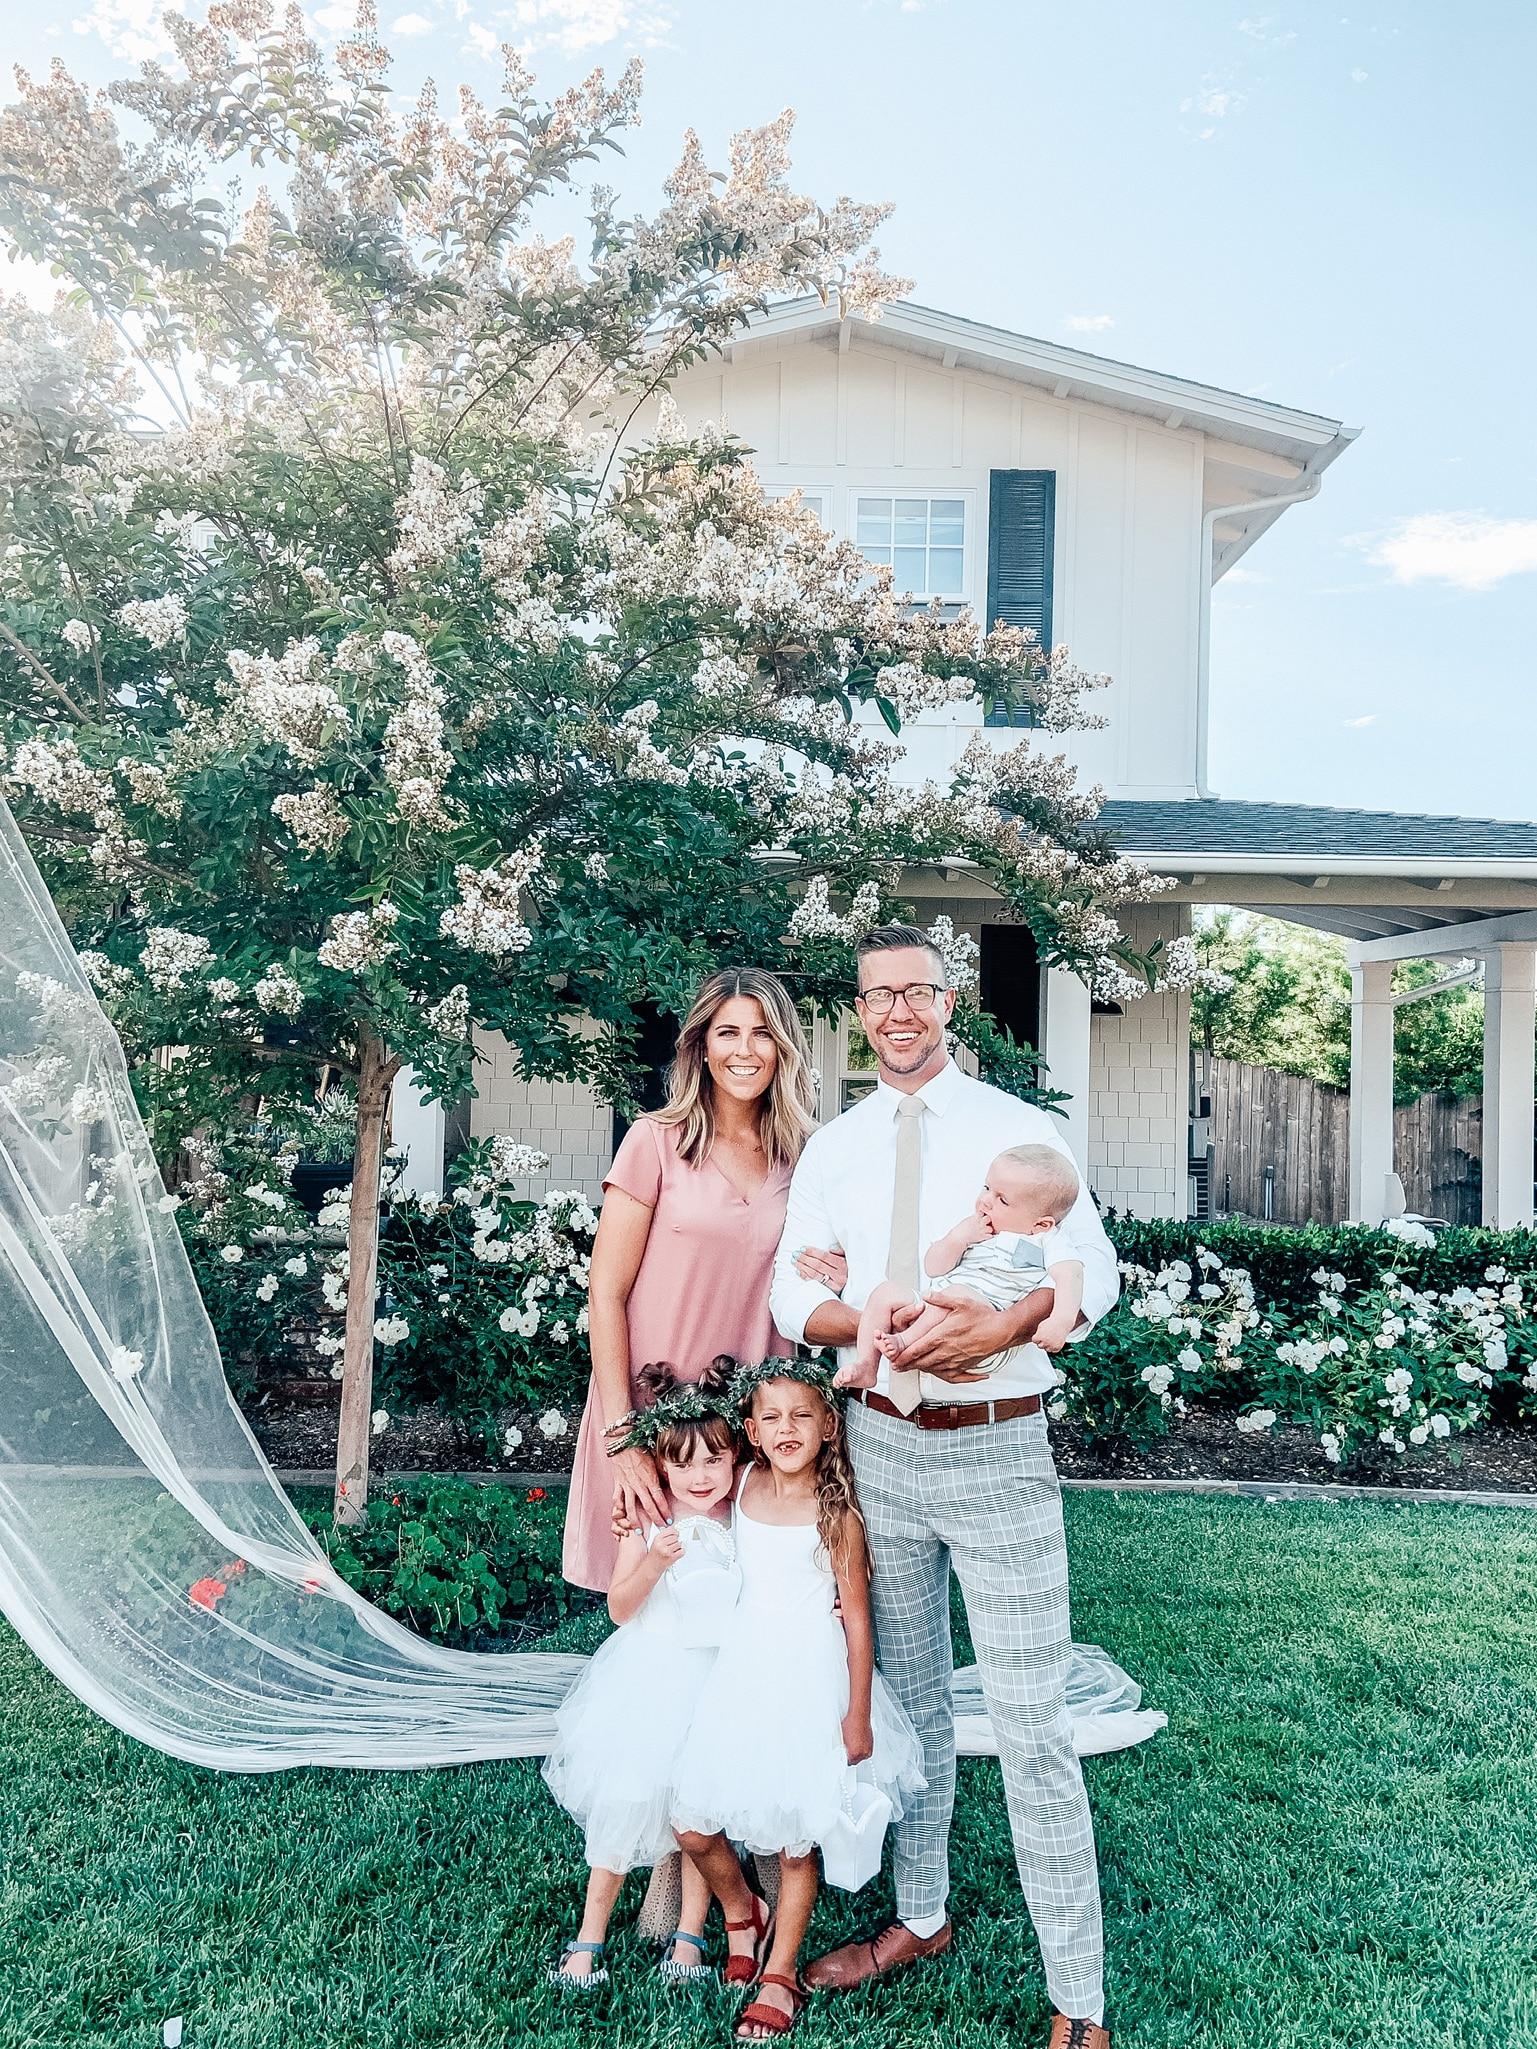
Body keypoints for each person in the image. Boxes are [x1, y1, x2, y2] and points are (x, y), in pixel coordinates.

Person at [770, 924, 1121, 2049]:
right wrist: (857, 1317)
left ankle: (1080, 2000)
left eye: (918, 991)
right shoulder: (835, 1146)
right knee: (913, 1705)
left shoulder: (1021, 1130)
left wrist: (1001, 1323)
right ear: (860, 1011)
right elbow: (793, 1293)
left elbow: (1093, 1274)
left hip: (998, 1449)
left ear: (948, 1001)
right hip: (878, 1448)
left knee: (1031, 1727)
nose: (900, 1013)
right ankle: (919, 1917)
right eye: (879, 997)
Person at [562, 966, 843, 1592]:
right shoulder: (654, 1141)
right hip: (654, 1407)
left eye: (763, 1034)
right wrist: (623, 1435)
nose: (744, 1051)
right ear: (701, 1046)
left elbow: (828, 1266)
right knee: (657, 1601)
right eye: (727, 1033)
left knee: (753, 1590)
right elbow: (605, 1292)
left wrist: (841, 1271)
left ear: (784, 1049)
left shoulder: (810, 1153)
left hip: (757, 1411)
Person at [671, 1361, 925, 2041]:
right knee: (691, 1821)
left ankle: (780, 1971)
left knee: (794, 1836)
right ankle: (740, 1913)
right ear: (750, 1431)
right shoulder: (744, 1482)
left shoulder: (834, 1509)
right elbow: (677, 1461)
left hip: (810, 1679)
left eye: (802, 1414)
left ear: (828, 1425)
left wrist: (858, 1711)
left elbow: (858, 1622)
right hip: (742, 1673)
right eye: (772, 1417)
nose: (787, 1428)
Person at [543, 1374, 743, 1987]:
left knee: (697, 1816)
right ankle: (588, 1939)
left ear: (737, 1458)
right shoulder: (646, 1524)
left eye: (715, 1459)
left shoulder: (742, 1520)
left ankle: (688, 1940)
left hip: (718, 1683)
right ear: (659, 1464)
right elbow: (620, 1608)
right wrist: (653, 1560)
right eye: (684, 1463)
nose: (702, 1475)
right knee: (625, 1807)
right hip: (652, 1680)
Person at [841, 1142, 1085, 1388]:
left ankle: (905, 1342)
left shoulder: (1046, 1240)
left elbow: (1070, 1276)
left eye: (1003, 1200)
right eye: (987, 1188)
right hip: (936, 1307)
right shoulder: (975, 1228)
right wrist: (959, 1238)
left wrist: (1060, 1323)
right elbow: (933, 1268)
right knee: (886, 1292)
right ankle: (866, 1366)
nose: (986, 1201)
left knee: (957, 1295)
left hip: (985, 1333)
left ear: (1041, 1224)